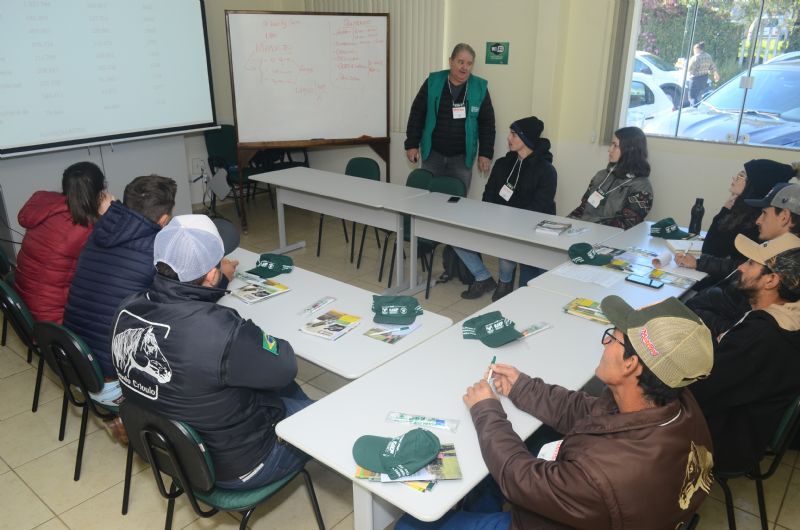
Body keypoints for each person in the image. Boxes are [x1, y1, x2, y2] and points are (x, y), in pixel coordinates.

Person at [397, 296, 714, 530]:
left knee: (411, 524)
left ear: (631, 365)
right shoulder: (677, 403)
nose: (604, 344)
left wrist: (486, 410)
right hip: (607, 511)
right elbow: (587, 410)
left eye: (612, 337)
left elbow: (520, 479)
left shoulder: (605, 473)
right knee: (489, 470)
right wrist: (522, 387)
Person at [111, 214, 312, 490]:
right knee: (316, 412)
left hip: (171, 454)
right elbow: (286, 365)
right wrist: (248, 333)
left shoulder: (126, 308)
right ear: (212, 274)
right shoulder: (221, 331)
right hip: (240, 467)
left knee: (269, 385)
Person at [63, 175, 178, 414]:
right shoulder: (155, 250)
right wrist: (222, 278)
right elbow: (184, 299)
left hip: (74, 363)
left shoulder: (98, 234)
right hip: (112, 384)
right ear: (164, 220)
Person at [690, 233, 800, 472]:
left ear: (771, 280)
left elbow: (700, 392)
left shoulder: (762, 336)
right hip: (745, 426)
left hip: (725, 441)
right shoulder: (785, 318)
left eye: (750, 263)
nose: (740, 267)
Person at [453, 116, 557, 301]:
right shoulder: (503, 163)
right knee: (455, 234)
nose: (509, 138)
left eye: (514, 134)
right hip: (497, 220)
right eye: (510, 133)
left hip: (524, 227)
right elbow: (489, 193)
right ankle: (482, 277)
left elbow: (540, 207)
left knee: (507, 240)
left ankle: (505, 282)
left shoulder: (546, 170)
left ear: (526, 138)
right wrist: (489, 217)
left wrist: (508, 221)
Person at [686, 182, 800, 337]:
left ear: (784, 217)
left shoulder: (786, 270)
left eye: (764, 213)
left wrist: (692, 314)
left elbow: (739, 331)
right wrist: (701, 263)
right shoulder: (775, 253)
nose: (758, 220)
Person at [674, 159, 798, 289]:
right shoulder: (741, 212)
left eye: (741, 176)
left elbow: (742, 267)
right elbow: (709, 249)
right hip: (720, 281)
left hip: (729, 287)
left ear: (755, 185)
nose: (734, 178)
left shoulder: (759, 226)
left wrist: (699, 263)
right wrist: (726, 208)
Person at [15, 161, 113, 324]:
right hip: (51, 317)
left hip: (25, 301)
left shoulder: (50, 207)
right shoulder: (86, 227)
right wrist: (111, 213)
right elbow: (117, 255)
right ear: (100, 191)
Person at [404, 43, 496, 192]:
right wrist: (412, 144)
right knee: (427, 198)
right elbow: (417, 113)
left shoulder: (480, 88)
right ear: (450, 61)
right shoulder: (433, 82)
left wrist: (485, 154)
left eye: (469, 64)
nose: (464, 67)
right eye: (460, 62)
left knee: (456, 200)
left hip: (462, 159)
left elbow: (487, 124)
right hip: (432, 155)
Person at [567, 127, 652, 229]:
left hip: (611, 236)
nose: (609, 149)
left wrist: (589, 226)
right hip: (584, 230)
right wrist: (565, 223)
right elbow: (583, 209)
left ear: (630, 150)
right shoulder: (601, 176)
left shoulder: (641, 187)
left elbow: (627, 223)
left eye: (615, 146)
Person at [686, 42, 719, 106]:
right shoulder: (708, 56)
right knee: (699, 96)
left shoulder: (695, 57)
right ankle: (699, 107)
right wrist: (715, 74)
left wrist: (684, 66)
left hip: (695, 80)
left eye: (694, 50)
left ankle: (694, 109)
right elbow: (712, 67)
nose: (693, 51)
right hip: (704, 78)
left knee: (692, 97)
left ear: (697, 49)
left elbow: (689, 69)